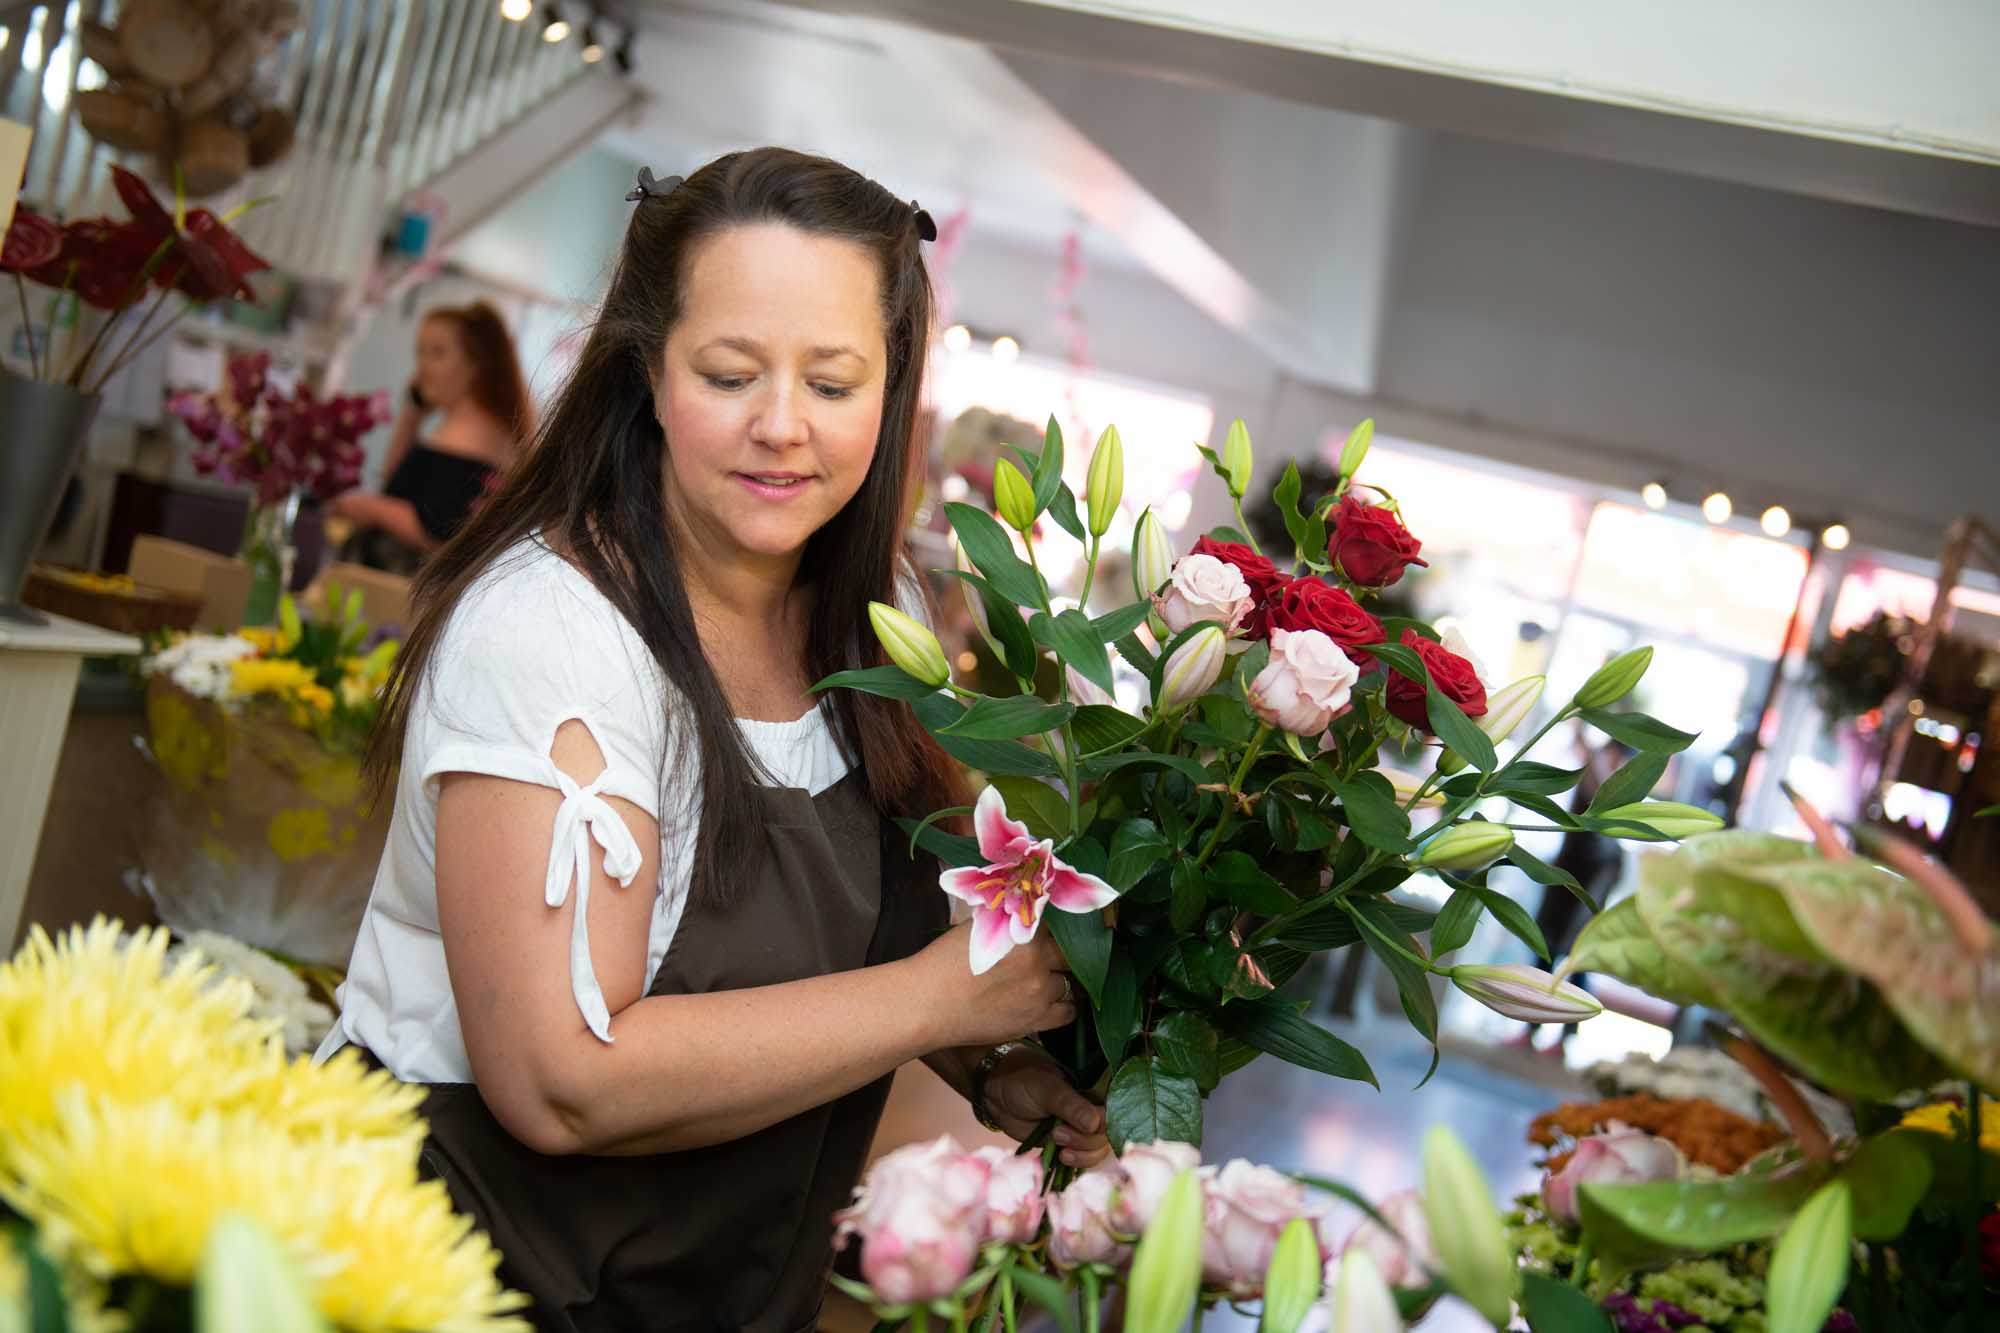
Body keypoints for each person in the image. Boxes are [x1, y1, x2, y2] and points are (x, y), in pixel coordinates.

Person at [316, 149, 1106, 1332]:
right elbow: (561, 1079)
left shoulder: (870, 612)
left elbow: (844, 947)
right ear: (646, 367)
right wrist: (937, 1003)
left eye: (834, 385)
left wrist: (993, 1065)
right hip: (451, 1276)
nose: (780, 427)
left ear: (893, 395)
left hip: (717, 1287)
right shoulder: (553, 634)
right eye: (730, 372)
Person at [332, 301, 531, 572]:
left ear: (476, 365)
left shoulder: (472, 438)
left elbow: (439, 528)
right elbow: (398, 486)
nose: (421, 368)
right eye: (420, 353)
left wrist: (371, 508)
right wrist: (412, 416)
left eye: (437, 353)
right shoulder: (470, 433)